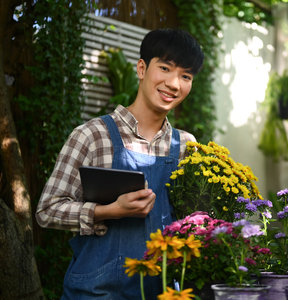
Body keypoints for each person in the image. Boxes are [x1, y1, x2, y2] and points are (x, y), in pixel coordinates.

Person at [36, 28, 204, 299]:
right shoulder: (92, 135)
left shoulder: (185, 145)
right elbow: (47, 210)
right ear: (141, 68)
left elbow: (192, 222)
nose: (174, 84)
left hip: (163, 292)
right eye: (165, 68)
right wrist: (108, 211)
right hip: (96, 291)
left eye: (186, 76)